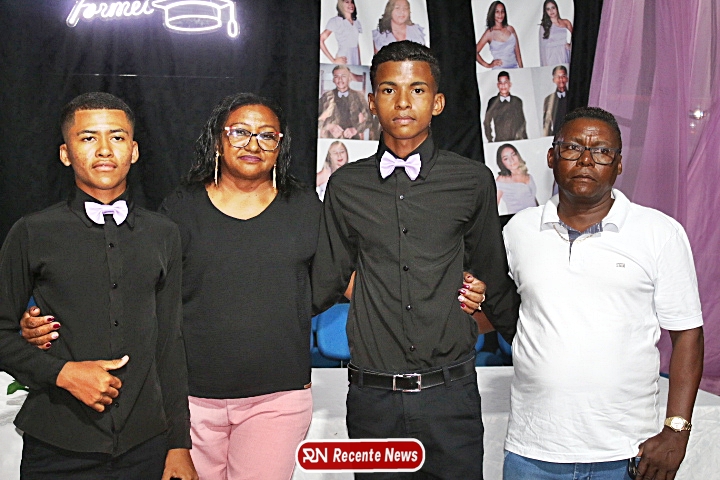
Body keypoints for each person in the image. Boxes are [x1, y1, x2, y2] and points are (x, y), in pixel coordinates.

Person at [312, 40, 520, 479]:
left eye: (417, 90)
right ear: (372, 102)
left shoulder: (472, 181)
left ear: (437, 102)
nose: (403, 102)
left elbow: (493, 279)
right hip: (372, 402)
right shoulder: (345, 186)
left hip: (451, 396)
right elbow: (323, 281)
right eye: (389, 90)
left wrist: (535, 348)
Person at [0, 92, 197, 479]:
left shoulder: (164, 234)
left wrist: (178, 444)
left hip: (146, 446)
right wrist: (63, 373)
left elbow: (169, 344)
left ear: (134, 151)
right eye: (88, 137)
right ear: (65, 153)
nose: (105, 149)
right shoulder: (32, 232)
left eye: (117, 137)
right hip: (56, 446)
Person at [502, 107, 704, 480]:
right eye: (572, 147)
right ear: (551, 156)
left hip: (628, 452)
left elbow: (688, 334)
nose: (585, 160)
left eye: (602, 151)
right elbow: (496, 310)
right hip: (533, 452)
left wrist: (677, 430)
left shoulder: (659, 233)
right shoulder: (518, 230)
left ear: (619, 164)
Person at [318, 64, 374, 140]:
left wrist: (356, 129)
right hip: (330, 137)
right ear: (333, 80)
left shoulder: (358, 96)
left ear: (349, 78)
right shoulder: (327, 96)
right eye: (336, 77)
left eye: (343, 76)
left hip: (353, 138)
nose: (340, 80)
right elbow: (313, 117)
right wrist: (328, 126)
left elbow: (370, 120)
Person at [476, 1, 523, 69]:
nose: (500, 14)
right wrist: (488, 65)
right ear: (492, 13)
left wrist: (521, 69)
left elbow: (517, 52)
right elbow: (475, 52)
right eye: (497, 12)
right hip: (499, 70)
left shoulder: (511, 29)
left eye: (502, 11)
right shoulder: (489, 33)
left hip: (514, 68)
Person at [483, 70, 528, 142]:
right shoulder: (493, 101)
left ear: (510, 84)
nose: (503, 85)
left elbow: (522, 122)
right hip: (499, 140)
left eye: (505, 82)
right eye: (500, 83)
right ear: (498, 85)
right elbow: (486, 122)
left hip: (516, 140)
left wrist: (525, 139)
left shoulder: (517, 101)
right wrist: (490, 139)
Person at [495, 143, 537, 214]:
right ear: (501, 162)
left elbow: (533, 199)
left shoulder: (528, 176)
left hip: (535, 216)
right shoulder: (501, 180)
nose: (511, 160)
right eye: (506, 158)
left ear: (518, 155)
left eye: (513, 155)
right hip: (518, 219)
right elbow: (492, 206)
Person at [320, 0, 362, 65]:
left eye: (352, 2)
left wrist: (359, 62)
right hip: (344, 58)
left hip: (355, 59)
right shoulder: (336, 21)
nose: (351, 4)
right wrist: (333, 60)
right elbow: (320, 39)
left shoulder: (357, 22)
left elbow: (356, 43)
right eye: (347, 2)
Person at [539, 0, 573, 67]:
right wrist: (545, 66)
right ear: (546, 11)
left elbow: (577, 37)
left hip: (564, 55)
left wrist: (570, 45)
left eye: (553, 8)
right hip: (551, 57)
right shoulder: (544, 26)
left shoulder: (566, 22)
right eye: (548, 9)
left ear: (556, 8)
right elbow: (542, 48)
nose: (551, 11)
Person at [542, 65, 569, 136]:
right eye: (557, 77)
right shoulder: (548, 99)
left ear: (567, 79)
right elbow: (546, 123)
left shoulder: (573, 96)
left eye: (563, 76)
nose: (561, 79)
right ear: (553, 80)